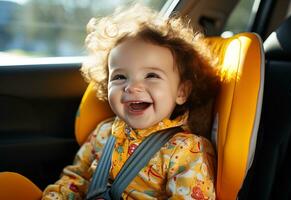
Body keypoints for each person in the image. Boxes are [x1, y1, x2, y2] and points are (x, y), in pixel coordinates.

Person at [42, 4, 220, 200]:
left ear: (181, 91)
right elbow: (76, 179)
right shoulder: (103, 133)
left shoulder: (186, 150)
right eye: (119, 77)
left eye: (151, 75)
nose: (132, 87)